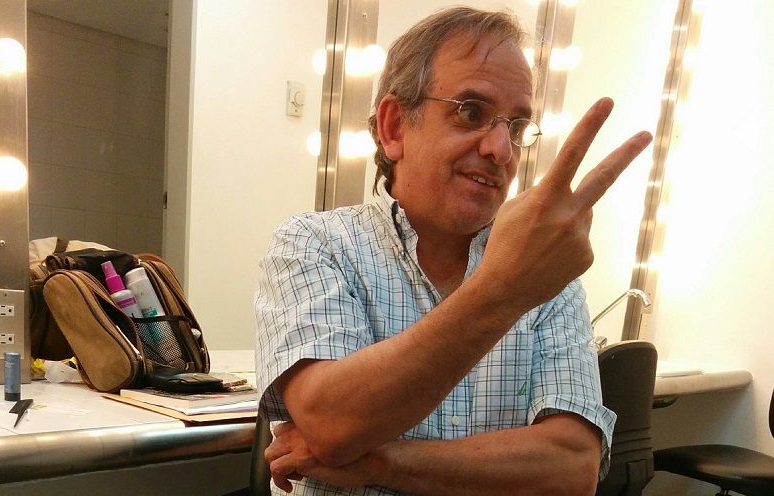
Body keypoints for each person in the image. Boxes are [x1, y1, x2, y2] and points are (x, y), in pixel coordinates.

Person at [255, 6, 652, 495]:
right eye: (470, 112)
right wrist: (502, 292)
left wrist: (376, 461)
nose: (501, 149)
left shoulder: (549, 279)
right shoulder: (315, 244)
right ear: (395, 126)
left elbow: (571, 470)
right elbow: (333, 422)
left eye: (517, 127)